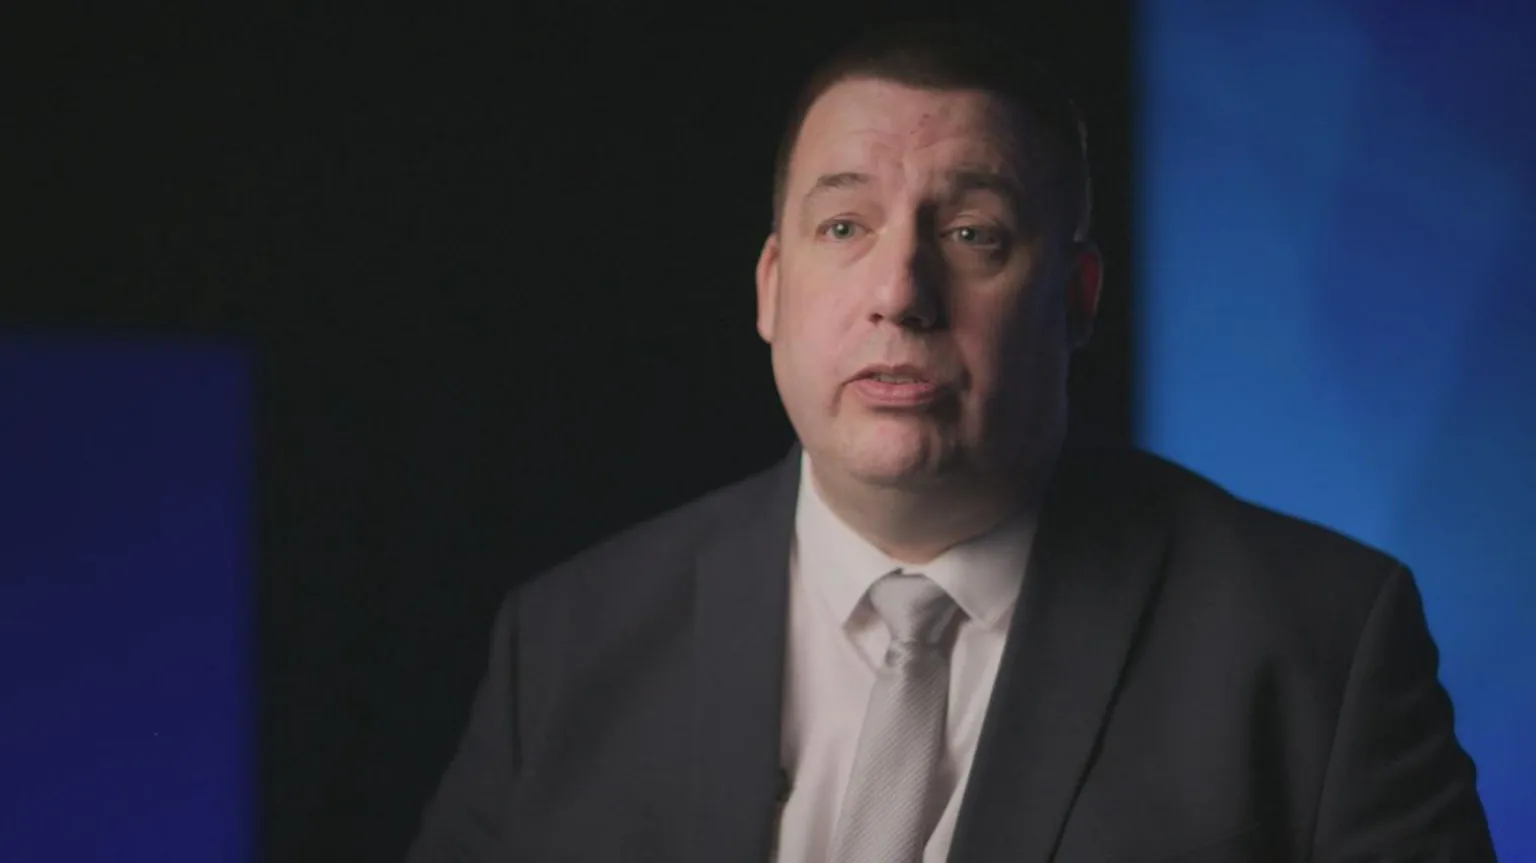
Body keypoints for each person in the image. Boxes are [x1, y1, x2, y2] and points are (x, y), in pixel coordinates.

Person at [405, 20, 1494, 863]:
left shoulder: (1319, 643)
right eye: (844, 227)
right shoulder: (562, 646)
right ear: (772, 288)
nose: (901, 291)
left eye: (974, 234)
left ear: (1076, 295)